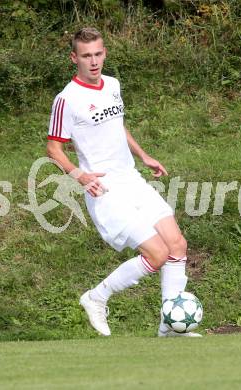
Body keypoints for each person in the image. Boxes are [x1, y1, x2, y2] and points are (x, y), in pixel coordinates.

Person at [47, 27, 201, 337]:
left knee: (177, 245)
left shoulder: (113, 85)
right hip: (104, 189)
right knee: (156, 254)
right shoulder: (67, 99)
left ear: (104, 53)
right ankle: (96, 297)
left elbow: (117, 126)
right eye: (86, 55)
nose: (94, 61)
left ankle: (169, 329)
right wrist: (79, 175)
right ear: (74, 57)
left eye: (98, 54)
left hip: (131, 179)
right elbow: (53, 148)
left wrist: (144, 155)